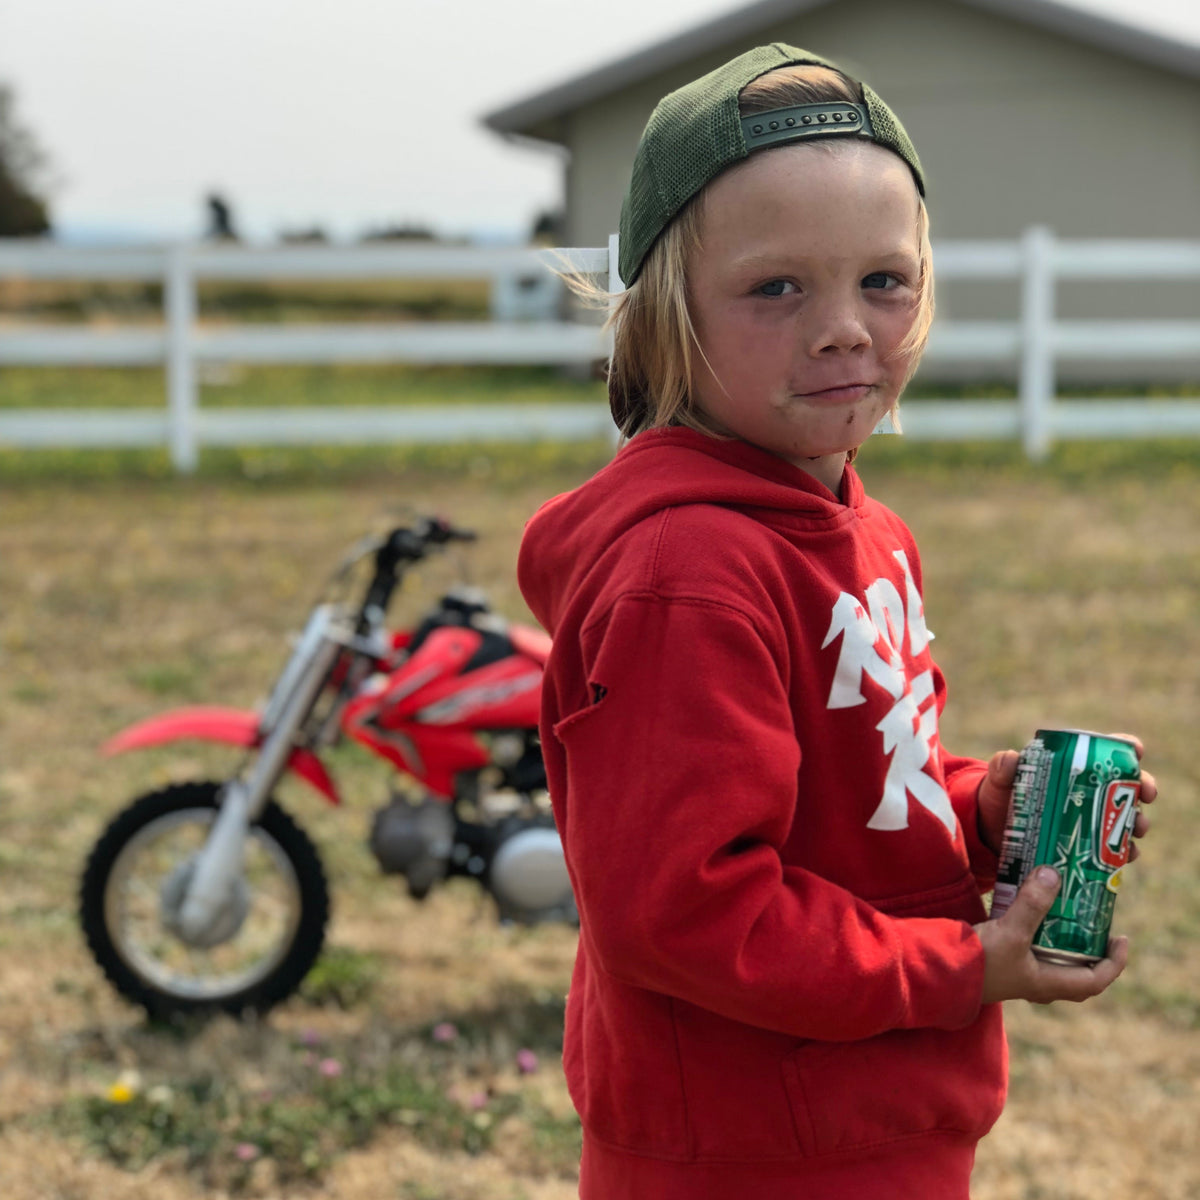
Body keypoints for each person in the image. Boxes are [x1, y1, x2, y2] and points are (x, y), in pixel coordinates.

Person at [517, 44, 1156, 1199]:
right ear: (667, 317)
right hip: (752, 1147)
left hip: (874, 1111)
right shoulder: (687, 576)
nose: (843, 329)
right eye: (777, 288)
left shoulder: (869, 533)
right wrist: (961, 965)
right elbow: (690, 911)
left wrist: (982, 810)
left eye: (884, 281)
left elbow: (866, 800)